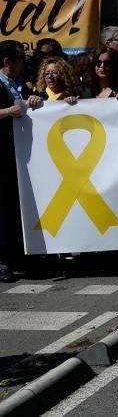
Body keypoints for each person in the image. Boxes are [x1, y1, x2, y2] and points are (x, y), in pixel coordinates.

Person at [0, 41, 27, 282]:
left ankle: (17, 257)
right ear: (8, 61)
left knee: (12, 208)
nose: (24, 63)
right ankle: (3, 262)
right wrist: (8, 112)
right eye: (21, 58)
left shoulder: (19, 85)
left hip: (16, 157)